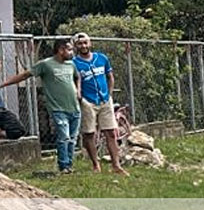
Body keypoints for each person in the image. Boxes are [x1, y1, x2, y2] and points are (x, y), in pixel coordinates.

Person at [0, 37, 81, 173]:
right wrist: (3, 84)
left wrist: (79, 90)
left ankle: (70, 165)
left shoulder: (71, 64)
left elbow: (77, 77)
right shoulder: (46, 64)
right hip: (58, 108)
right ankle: (64, 166)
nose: (72, 52)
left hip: (74, 108)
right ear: (61, 50)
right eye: (69, 49)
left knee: (72, 139)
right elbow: (25, 75)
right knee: (64, 137)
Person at [70, 33, 128, 175]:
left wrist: (109, 94)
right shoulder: (74, 63)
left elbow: (110, 77)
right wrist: (81, 98)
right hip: (87, 101)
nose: (83, 46)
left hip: (104, 100)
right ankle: (96, 164)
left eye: (85, 43)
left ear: (90, 43)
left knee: (111, 132)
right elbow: (74, 82)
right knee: (89, 133)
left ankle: (116, 165)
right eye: (80, 44)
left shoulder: (101, 58)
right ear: (76, 46)